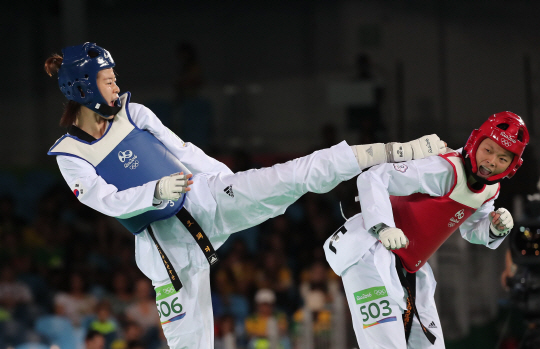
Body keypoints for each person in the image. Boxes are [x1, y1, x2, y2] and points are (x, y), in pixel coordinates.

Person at [44, 42, 446, 349]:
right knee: (189, 344)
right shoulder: (71, 153)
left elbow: (184, 151)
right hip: (167, 251)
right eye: (107, 77)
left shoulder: (135, 112)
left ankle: (400, 150)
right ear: (82, 86)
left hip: (204, 199)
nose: (116, 83)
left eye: (114, 76)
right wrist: (154, 192)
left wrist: (230, 182)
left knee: (293, 174)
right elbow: (102, 199)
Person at [323, 112, 530, 348]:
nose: (492, 161)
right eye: (489, 150)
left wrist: (494, 227)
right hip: (367, 253)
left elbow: (472, 231)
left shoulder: (489, 192)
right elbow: (374, 177)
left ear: (512, 167)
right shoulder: (443, 168)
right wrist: (383, 227)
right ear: (475, 142)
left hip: (408, 268)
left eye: (503, 158)